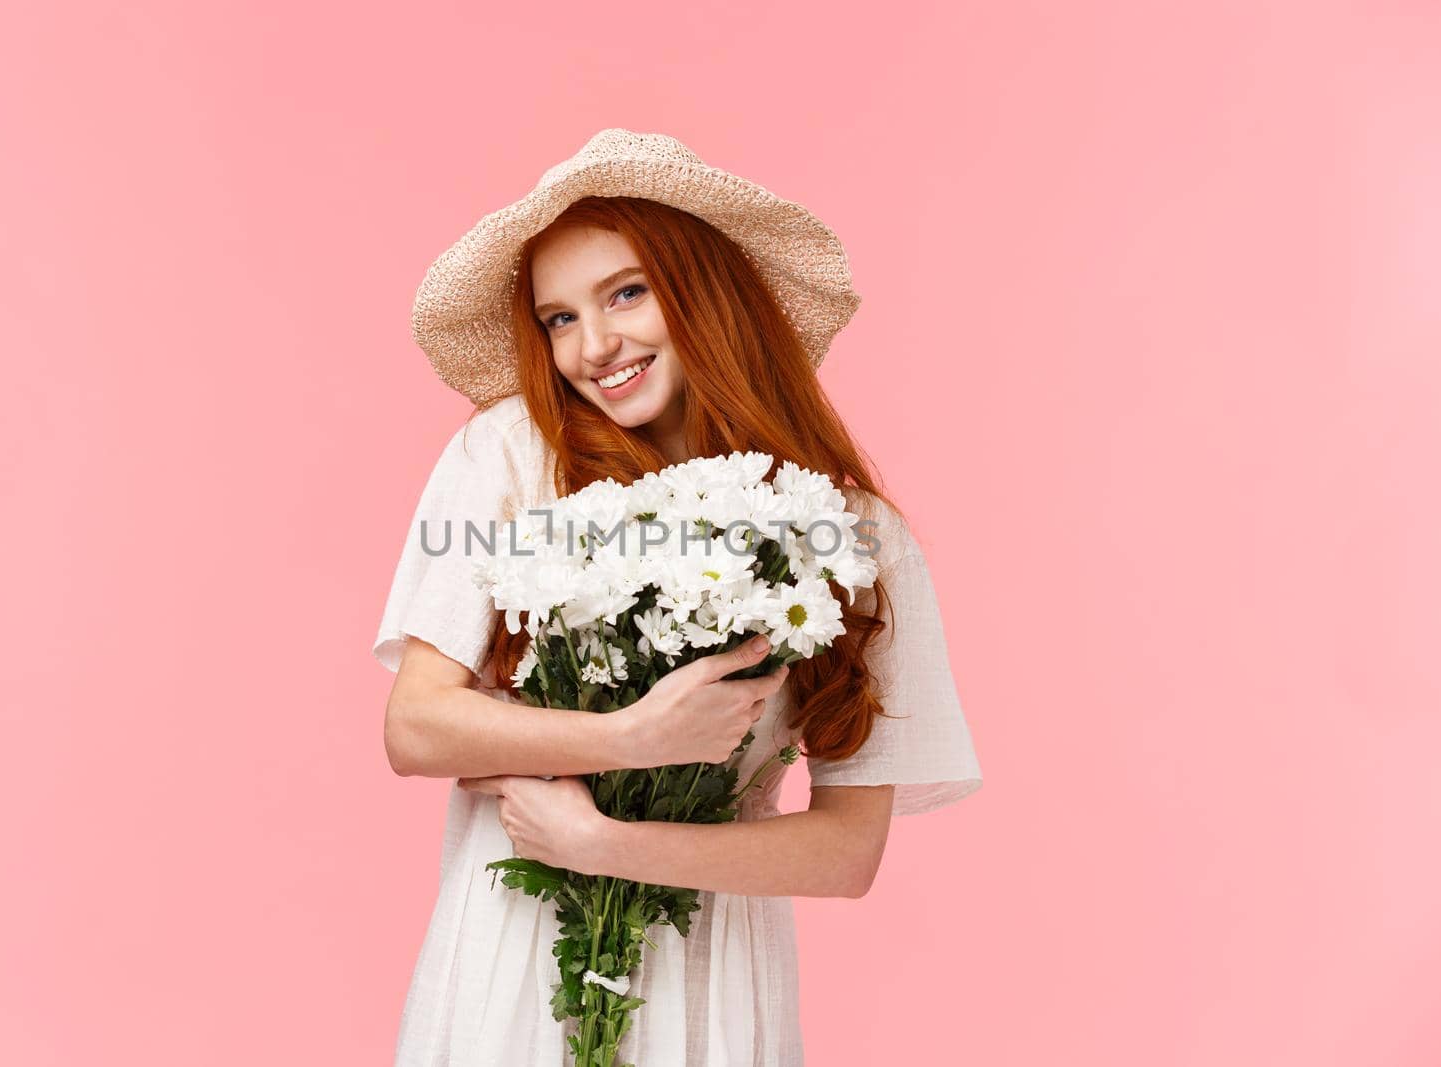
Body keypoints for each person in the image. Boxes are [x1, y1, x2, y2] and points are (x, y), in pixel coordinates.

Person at [373, 129, 983, 1066]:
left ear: (703, 290)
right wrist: (625, 741)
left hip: (710, 981)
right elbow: (416, 726)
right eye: (559, 318)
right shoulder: (511, 455)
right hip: (514, 953)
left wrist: (604, 844)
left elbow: (848, 854)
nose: (595, 344)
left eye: (626, 292)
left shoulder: (849, 532)